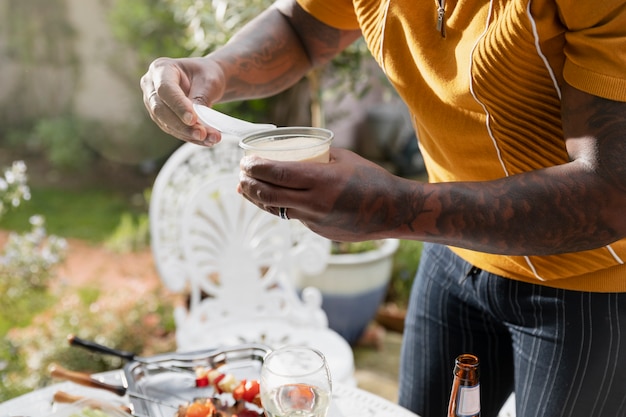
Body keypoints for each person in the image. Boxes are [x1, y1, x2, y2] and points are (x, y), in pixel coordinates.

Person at [140, 0, 626, 415]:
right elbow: (302, 27)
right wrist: (216, 69)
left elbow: (613, 191)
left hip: (590, 284)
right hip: (453, 252)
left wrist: (394, 208)